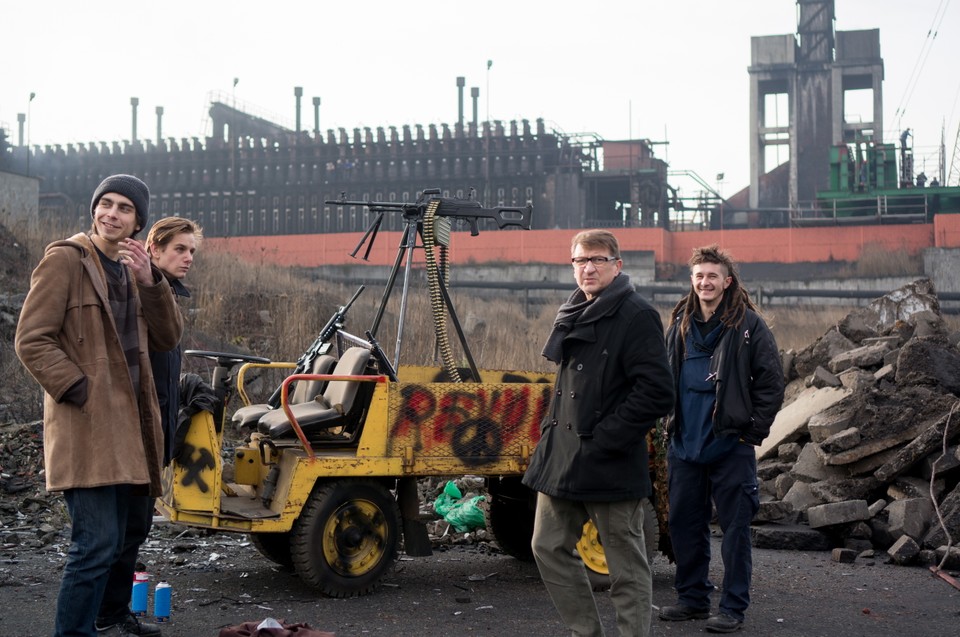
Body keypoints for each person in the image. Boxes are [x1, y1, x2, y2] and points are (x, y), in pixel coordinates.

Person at [15, 174, 183, 637]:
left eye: (124, 208)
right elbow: (31, 339)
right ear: (94, 210)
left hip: (133, 428)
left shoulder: (136, 271)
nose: (111, 213)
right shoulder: (65, 261)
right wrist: (78, 389)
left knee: (125, 538)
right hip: (88, 426)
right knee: (95, 543)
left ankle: (109, 618)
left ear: (138, 221)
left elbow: (168, 337)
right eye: (105, 204)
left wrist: (151, 280)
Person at [523, 229, 675, 637]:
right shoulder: (573, 310)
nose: (588, 267)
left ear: (617, 265)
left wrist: (608, 438)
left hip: (608, 462)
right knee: (546, 546)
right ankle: (585, 631)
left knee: (625, 568)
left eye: (598, 259)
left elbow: (658, 391)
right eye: (580, 260)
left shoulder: (637, 315)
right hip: (563, 457)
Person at [658, 245, 784, 634]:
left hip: (730, 445)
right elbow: (664, 376)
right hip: (685, 444)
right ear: (691, 281)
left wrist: (752, 432)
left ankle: (732, 607)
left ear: (727, 281)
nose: (705, 282)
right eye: (698, 275)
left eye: (712, 275)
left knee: (735, 530)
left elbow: (771, 382)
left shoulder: (748, 326)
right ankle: (693, 599)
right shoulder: (680, 321)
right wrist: (667, 422)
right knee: (683, 524)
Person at [94, 216, 202, 635]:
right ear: (152, 249)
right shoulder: (134, 289)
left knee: (134, 526)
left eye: (192, 250)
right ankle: (108, 615)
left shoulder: (166, 294)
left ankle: (114, 611)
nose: (188, 257)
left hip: (154, 427)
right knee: (122, 528)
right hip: (133, 430)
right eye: (179, 249)